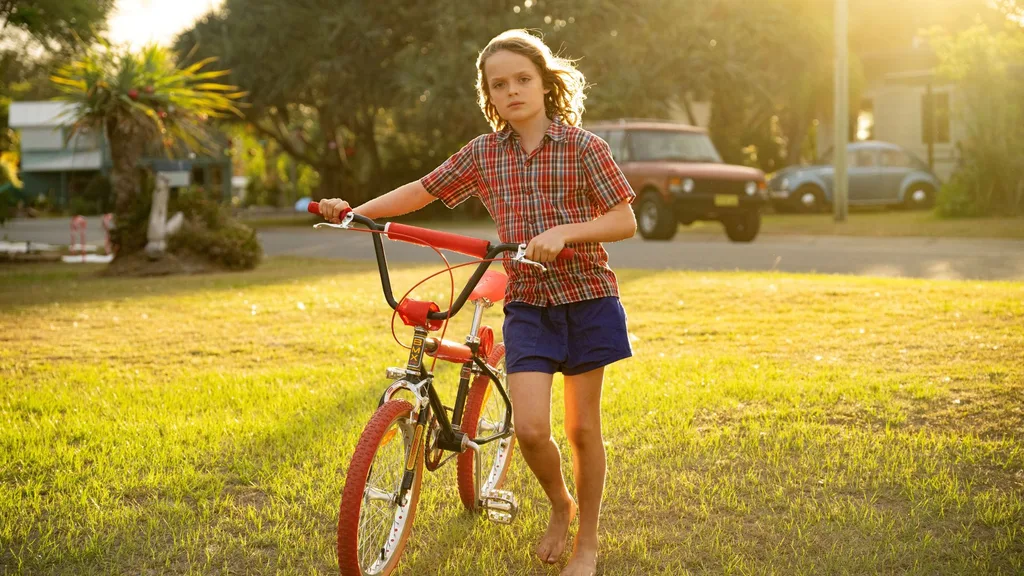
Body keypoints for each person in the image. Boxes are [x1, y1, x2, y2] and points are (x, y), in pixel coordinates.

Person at [318, 29, 636, 576]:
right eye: (500, 84)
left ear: (544, 83)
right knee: (533, 429)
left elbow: (624, 221)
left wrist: (565, 231)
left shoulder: (584, 147)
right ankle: (561, 503)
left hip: (587, 298)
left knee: (584, 430)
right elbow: (424, 189)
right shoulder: (485, 153)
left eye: (523, 80)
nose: (513, 91)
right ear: (489, 96)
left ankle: (587, 539)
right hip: (530, 304)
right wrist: (355, 214)